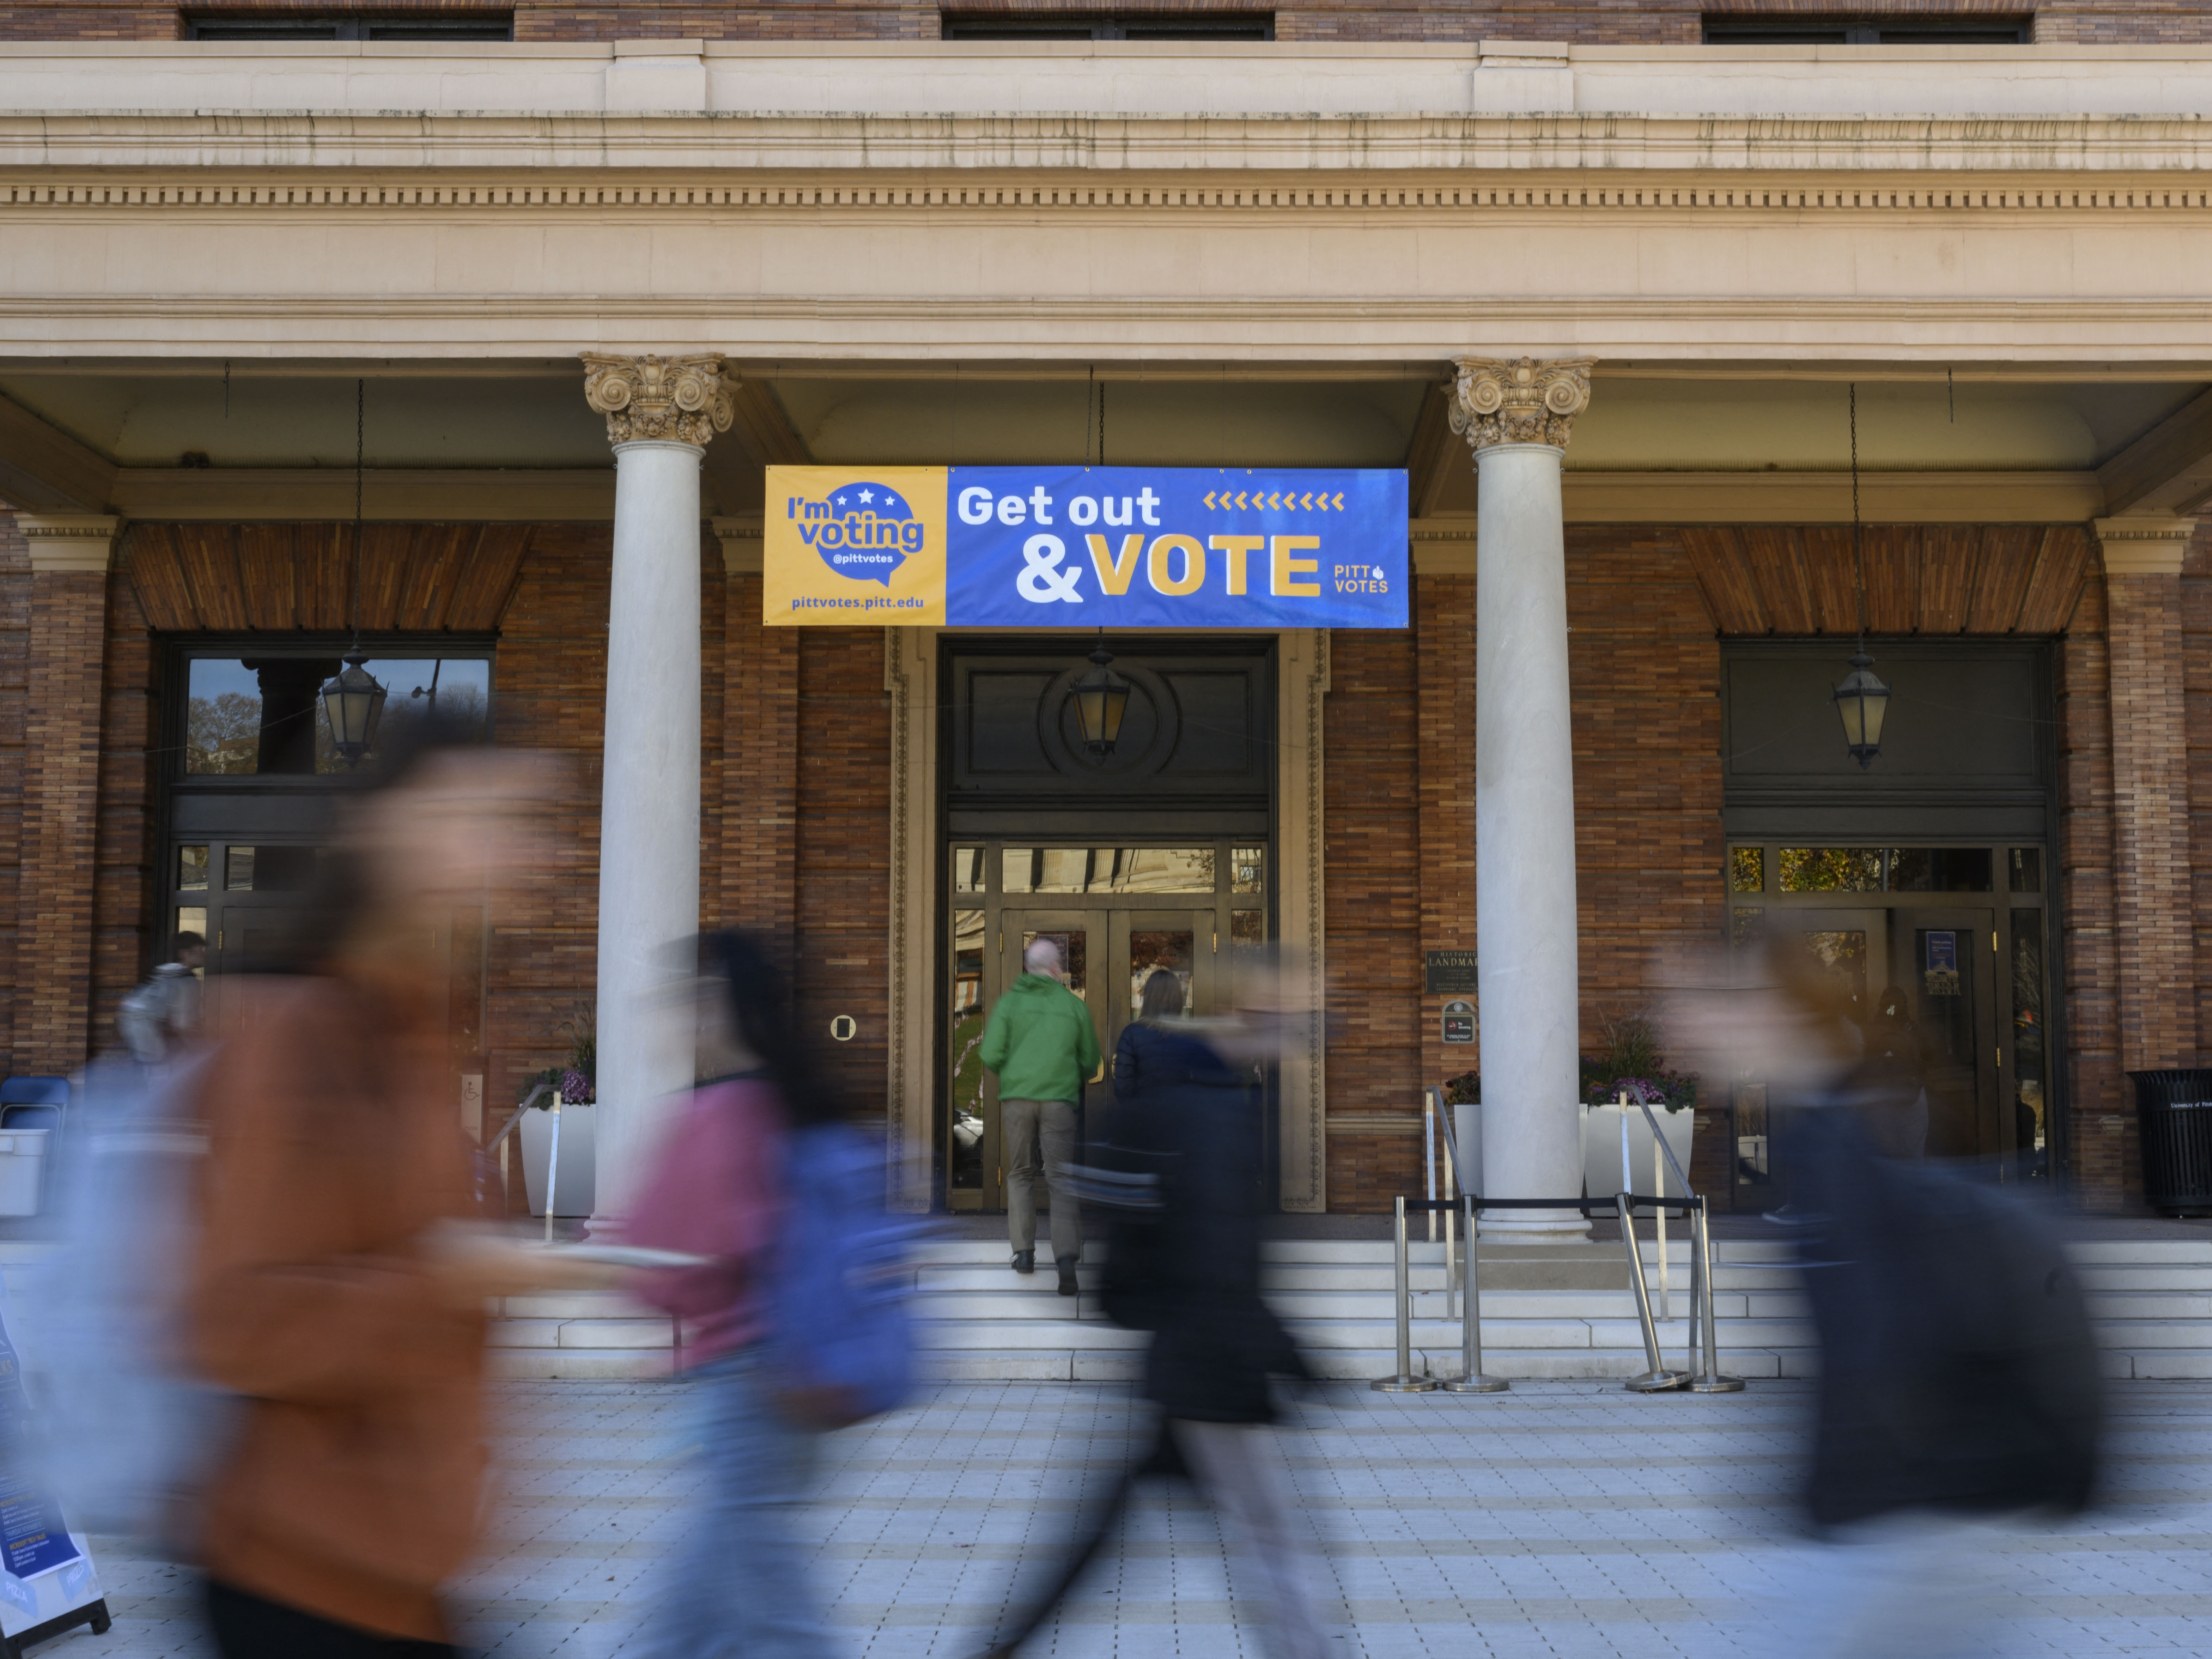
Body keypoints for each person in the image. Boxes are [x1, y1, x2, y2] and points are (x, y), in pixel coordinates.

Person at [189, 726, 612, 1659]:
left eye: (532, 826)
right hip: (304, 1579)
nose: (529, 852)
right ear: (385, 833)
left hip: (414, 1580)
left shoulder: (413, 1030)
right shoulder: (299, 1035)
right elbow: (232, 1319)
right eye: (484, 820)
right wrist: (447, 1281)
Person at [988, 963, 1329, 1659]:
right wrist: (1283, 1351)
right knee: (1271, 1538)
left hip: (1190, 1350)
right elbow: (1217, 1248)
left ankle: (1003, 1646)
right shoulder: (1211, 1107)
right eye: (1298, 1013)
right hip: (1210, 1361)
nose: (1307, 1030)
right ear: (1255, 1011)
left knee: (1110, 1531)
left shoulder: (1202, 1093)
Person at [618, 930, 841, 1659]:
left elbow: (663, 1257)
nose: (673, 1019)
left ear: (717, 1009)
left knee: (769, 1617)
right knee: (697, 1616)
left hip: (746, 1388)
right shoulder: (789, 1100)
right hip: (789, 1380)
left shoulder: (718, 1114)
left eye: (684, 1001)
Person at [981, 937, 1099, 1294]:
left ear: (1027, 968)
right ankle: (1065, 1260)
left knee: (1019, 1174)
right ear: (1054, 969)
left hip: (1017, 1100)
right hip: (1059, 1101)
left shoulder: (1008, 1004)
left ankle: (1025, 1253)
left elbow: (989, 1054)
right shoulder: (1072, 1005)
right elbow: (1090, 1060)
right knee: (1061, 1179)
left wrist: (1016, 1069)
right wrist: (1066, 1074)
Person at [118, 931, 206, 1065]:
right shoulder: (188, 981)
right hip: (163, 1051)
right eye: (200, 950)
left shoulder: (163, 975)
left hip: (145, 1046)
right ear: (185, 953)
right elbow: (183, 1023)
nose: (204, 954)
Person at [1112, 967, 1187, 1099]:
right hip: (1180, 1113)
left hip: (1142, 1113)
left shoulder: (1132, 1034)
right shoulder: (1188, 1035)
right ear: (1178, 999)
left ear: (1148, 998)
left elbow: (1124, 1086)